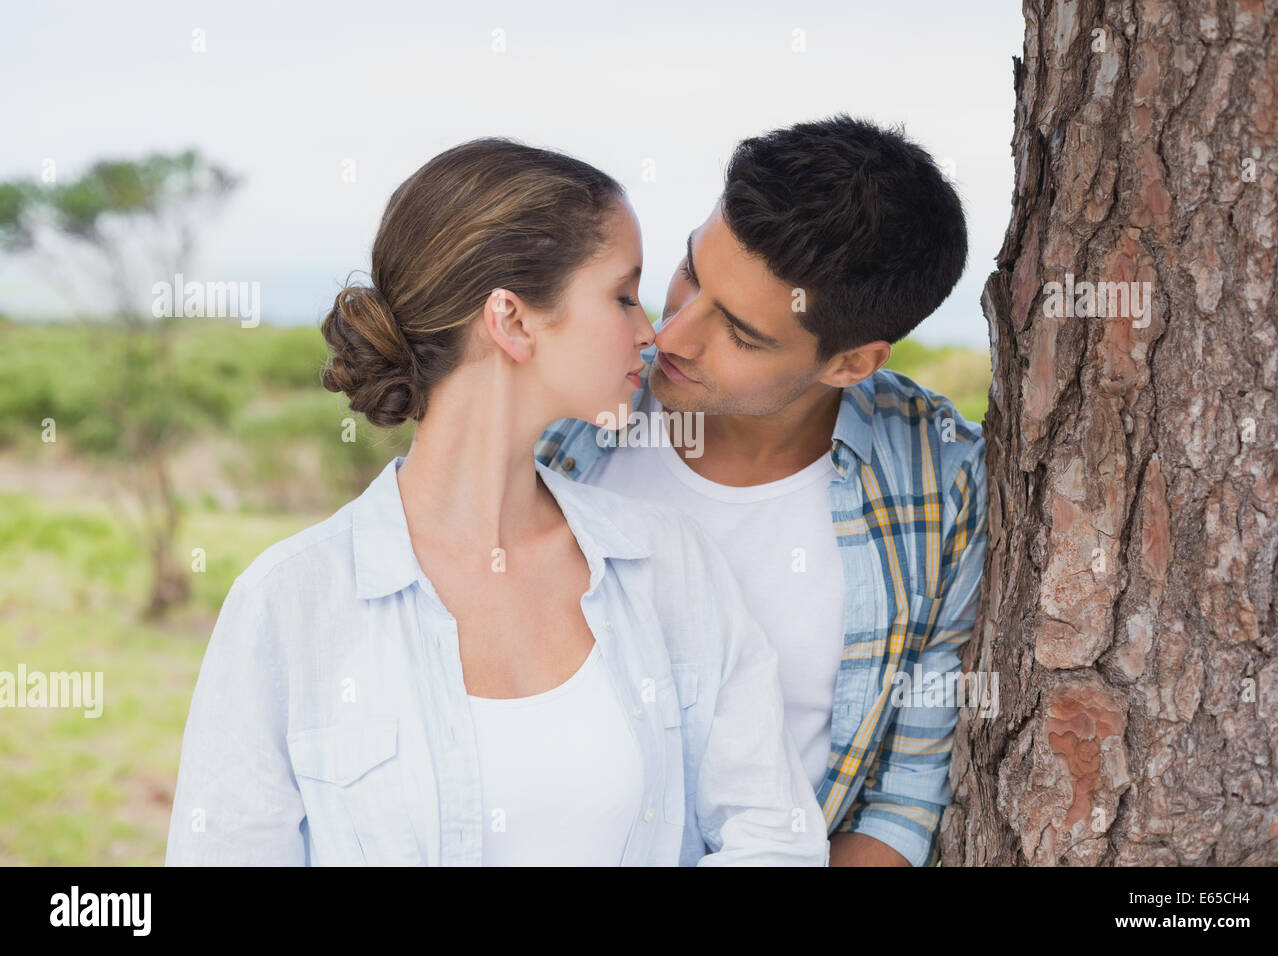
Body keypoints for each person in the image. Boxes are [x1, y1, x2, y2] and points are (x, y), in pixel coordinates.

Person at [164, 137, 828, 867]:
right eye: (621, 296)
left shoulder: (668, 564)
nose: (651, 333)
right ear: (511, 320)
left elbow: (776, 841)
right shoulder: (288, 603)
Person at [537, 115, 990, 867]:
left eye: (742, 334)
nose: (672, 335)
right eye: (690, 273)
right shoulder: (565, 416)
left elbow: (906, 797)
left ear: (850, 363)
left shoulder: (946, 485)